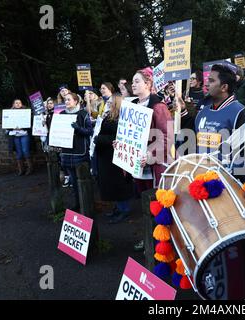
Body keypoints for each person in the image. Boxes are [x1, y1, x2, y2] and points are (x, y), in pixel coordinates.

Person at [130, 67, 173, 251]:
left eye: (137, 81)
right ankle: (150, 239)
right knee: (145, 206)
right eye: (132, 82)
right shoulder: (131, 106)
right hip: (139, 167)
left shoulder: (159, 106)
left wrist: (151, 155)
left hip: (155, 166)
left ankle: (163, 246)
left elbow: (167, 136)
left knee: (159, 207)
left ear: (148, 84)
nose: (133, 84)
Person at [195, 64, 245, 157]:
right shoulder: (202, 113)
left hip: (226, 171)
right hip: (201, 169)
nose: (206, 84)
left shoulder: (241, 114)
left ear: (224, 87)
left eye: (211, 81)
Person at [94, 95, 134, 224]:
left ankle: (124, 210)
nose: (108, 103)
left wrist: (99, 139)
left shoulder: (121, 119)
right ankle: (118, 208)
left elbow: (117, 138)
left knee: (119, 184)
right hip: (107, 156)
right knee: (112, 185)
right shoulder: (109, 116)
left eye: (111, 102)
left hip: (115, 157)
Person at [59, 92, 92, 211]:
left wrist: (78, 129)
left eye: (69, 100)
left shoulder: (83, 114)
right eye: (65, 100)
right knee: (73, 181)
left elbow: (89, 131)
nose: (66, 102)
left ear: (76, 101)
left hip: (80, 151)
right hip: (67, 151)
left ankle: (88, 204)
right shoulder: (61, 114)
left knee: (83, 180)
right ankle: (78, 203)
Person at [7, 99, 33, 176]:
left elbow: (30, 125)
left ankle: (30, 168)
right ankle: (21, 169)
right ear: (13, 104)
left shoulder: (26, 113)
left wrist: (22, 127)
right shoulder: (9, 113)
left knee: (25, 151)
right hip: (15, 135)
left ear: (21, 104)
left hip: (24, 134)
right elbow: (7, 125)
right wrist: (13, 128)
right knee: (19, 153)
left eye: (19, 103)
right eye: (16, 103)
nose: (18, 104)